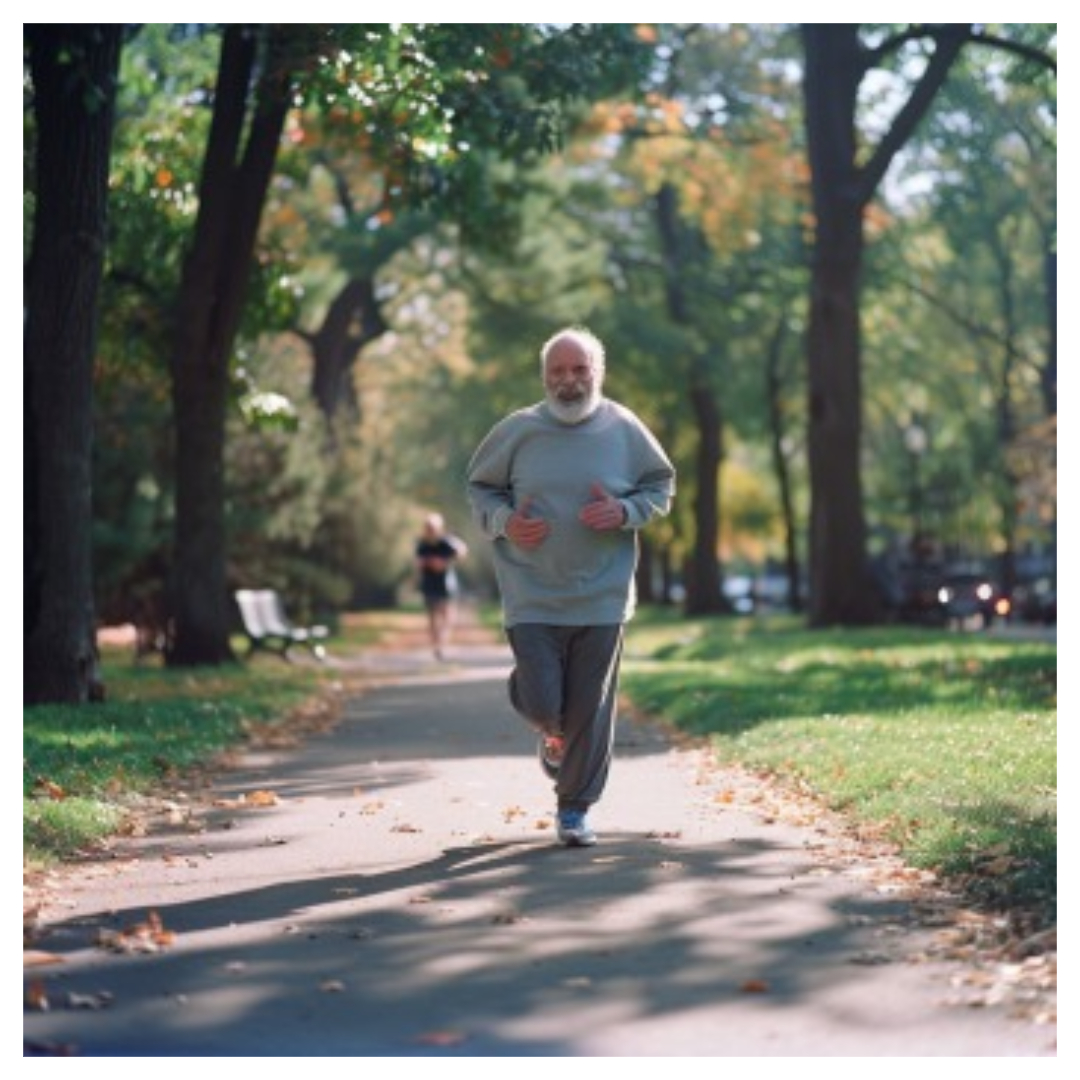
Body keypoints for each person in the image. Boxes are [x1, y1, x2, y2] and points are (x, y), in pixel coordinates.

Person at [466, 326, 676, 847]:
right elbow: (481, 487)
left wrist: (625, 510)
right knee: (543, 702)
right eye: (558, 371)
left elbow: (661, 485)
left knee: (590, 708)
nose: (568, 381)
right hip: (531, 592)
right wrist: (505, 521)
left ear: (597, 373)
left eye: (579, 369)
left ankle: (574, 809)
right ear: (544, 377)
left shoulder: (625, 429)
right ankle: (541, 717)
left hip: (602, 595)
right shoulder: (519, 430)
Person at [415, 512, 468, 660]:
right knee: (432, 618)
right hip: (429, 584)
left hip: (446, 585)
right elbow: (418, 562)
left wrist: (445, 562)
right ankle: (436, 645)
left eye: (433, 527)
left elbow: (462, 551)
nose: (430, 530)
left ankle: (441, 645)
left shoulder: (446, 542)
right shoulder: (422, 544)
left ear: (439, 528)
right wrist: (426, 563)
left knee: (447, 617)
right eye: (428, 527)